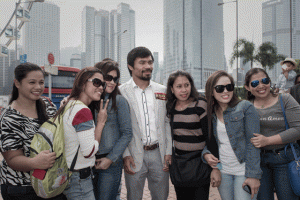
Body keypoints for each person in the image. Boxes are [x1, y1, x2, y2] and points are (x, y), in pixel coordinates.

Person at [0, 63, 65, 200]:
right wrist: (35, 162)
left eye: (41, 82)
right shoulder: (9, 117)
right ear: (17, 83)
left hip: (50, 182)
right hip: (21, 188)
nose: (38, 87)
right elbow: (12, 158)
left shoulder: (47, 105)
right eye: (32, 82)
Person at [119, 47, 172, 200]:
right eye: (142, 63)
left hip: (159, 154)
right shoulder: (121, 92)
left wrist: (168, 151)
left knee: (161, 196)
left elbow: (167, 122)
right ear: (130, 66)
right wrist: (126, 154)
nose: (147, 66)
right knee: (133, 197)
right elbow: (119, 126)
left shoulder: (162, 90)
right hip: (134, 154)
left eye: (150, 62)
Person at [203, 70, 262, 200]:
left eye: (229, 87)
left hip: (244, 171)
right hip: (223, 171)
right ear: (211, 91)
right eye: (219, 88)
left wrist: (253, 175)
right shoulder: (210, 114)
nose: (225, 91)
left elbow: (254, 143)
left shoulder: (245, 107)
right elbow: (210, 143)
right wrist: (208, 158)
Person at [244, 68, 300, 200]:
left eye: (264, 80)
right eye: (255, 83)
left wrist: (267, 141)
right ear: (247, 87)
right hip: (259, 163)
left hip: (285, 159)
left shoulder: (285, 99)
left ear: (270, 81)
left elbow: (298, 129)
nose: (261, 86)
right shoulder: (246, 106)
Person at [55, 67, 108, 200]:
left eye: (103, 84)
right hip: (79, 180)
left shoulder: (69, 104)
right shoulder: (82, 111)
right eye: (96, 82)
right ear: (83, 83)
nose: (101, 87)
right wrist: (100, 124)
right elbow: (89, 151)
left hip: (68, 176)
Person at [165, 70, 218, 200]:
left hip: (199, 163)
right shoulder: (170, 107)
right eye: (179, 86)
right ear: (172, 89)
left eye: (186, 85)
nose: (184, 90)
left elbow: (210, 137)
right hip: (180, 164)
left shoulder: (200, 104)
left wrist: (216, 167)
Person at [92, 60, 132, 200]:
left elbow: (127, 133)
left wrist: (110, 159)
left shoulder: (119, 101)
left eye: (115, 79)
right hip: (89, 162)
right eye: (108, 77)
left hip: (110, 164)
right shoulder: (91, 100)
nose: (112, 82)